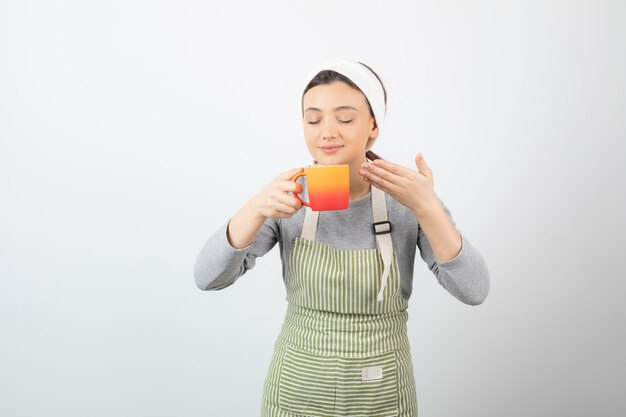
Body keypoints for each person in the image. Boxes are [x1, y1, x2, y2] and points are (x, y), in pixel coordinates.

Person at [193, 58, 490, 417]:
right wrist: (254, 208)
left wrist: (427, 208)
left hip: (381, 393)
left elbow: (474, 290)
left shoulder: (408, 198)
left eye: (345, 118)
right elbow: (207, 278)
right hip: (296, 392)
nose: (326, 132)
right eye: (313, 119)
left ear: (373, 125)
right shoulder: (290, 197)